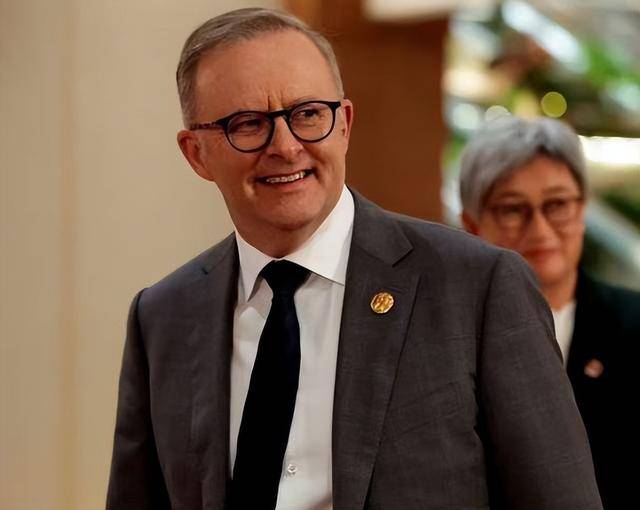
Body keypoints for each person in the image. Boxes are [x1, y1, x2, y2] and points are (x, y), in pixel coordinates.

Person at [107, 8, 602, 510]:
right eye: (248, 124)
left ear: (344, 123)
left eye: (308, 115)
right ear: (196, 153)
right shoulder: (162, 318)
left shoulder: (476, 287)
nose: (286, 147)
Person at [459, 115, 640, 509]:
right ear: (471, 225)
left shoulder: (633, 325)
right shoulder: (446, 339)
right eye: (512, 209)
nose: (540, 231)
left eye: (557, 205)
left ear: (582, 209)